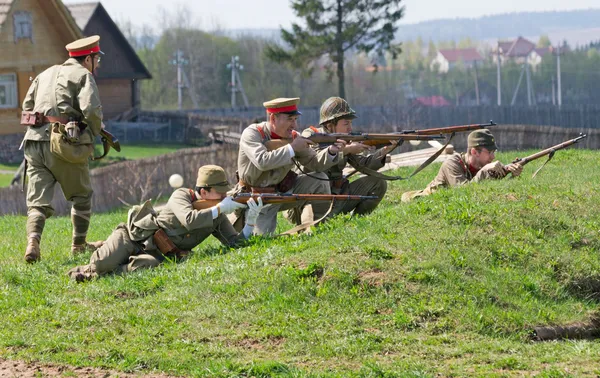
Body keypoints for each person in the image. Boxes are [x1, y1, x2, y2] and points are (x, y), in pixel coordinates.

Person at [67, 165, 263, 282]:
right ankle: (98, 262)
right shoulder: (181, 196)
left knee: (147, 267)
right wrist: (220, 208)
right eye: (220, 192)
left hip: (156, 254)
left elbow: (235, 244)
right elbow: (189, 220)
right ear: (204, 192)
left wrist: (251, 222)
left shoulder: (216, 214)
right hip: (134, 237)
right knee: (102, 263)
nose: (224, 196)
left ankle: (102, 271)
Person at [21, 35, 105, 263]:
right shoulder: (83, 75)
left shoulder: (44, 74)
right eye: (97, 59)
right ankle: (78, 246)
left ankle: (33, 242)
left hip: (33, 143)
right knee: (82, 196)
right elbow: (92, 110)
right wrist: (96, 131)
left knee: (37, 203)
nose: (97, 64)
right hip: (64, 144)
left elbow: (27, 107)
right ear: (88, 59)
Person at [234, 97, 345, 235]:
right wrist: (292, 148)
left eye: (295, 120)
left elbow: (314, 163)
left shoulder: (294, 137)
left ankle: (318, 228)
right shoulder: (252, 133)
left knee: (319, 180)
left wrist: (331, 151)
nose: (294, 126)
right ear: (273, 118)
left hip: (281, 192)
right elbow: (262, 161)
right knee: (258, 239)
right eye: (290, 119)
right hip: (254, 199)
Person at [301, 97, 395, 216]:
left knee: (378, 183)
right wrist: (346, 150)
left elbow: (365, 165)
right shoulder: (310, 135)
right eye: (346, 123)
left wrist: (385, 150)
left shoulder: (345, 140)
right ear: (330, 125)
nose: (350, 128)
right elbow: (315, 162)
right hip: (311, 205)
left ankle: (357, 222)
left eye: (350, 123)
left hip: (337, 198)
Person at [401, 129, 523, 202]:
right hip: (427, 200)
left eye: (494, 152)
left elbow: (495, 188)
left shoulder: (484, 164)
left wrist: (511, 174)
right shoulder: (452, 163)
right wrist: (484, 171)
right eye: (490, 153)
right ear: (474, 152)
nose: (493, 157)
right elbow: (463, 192)